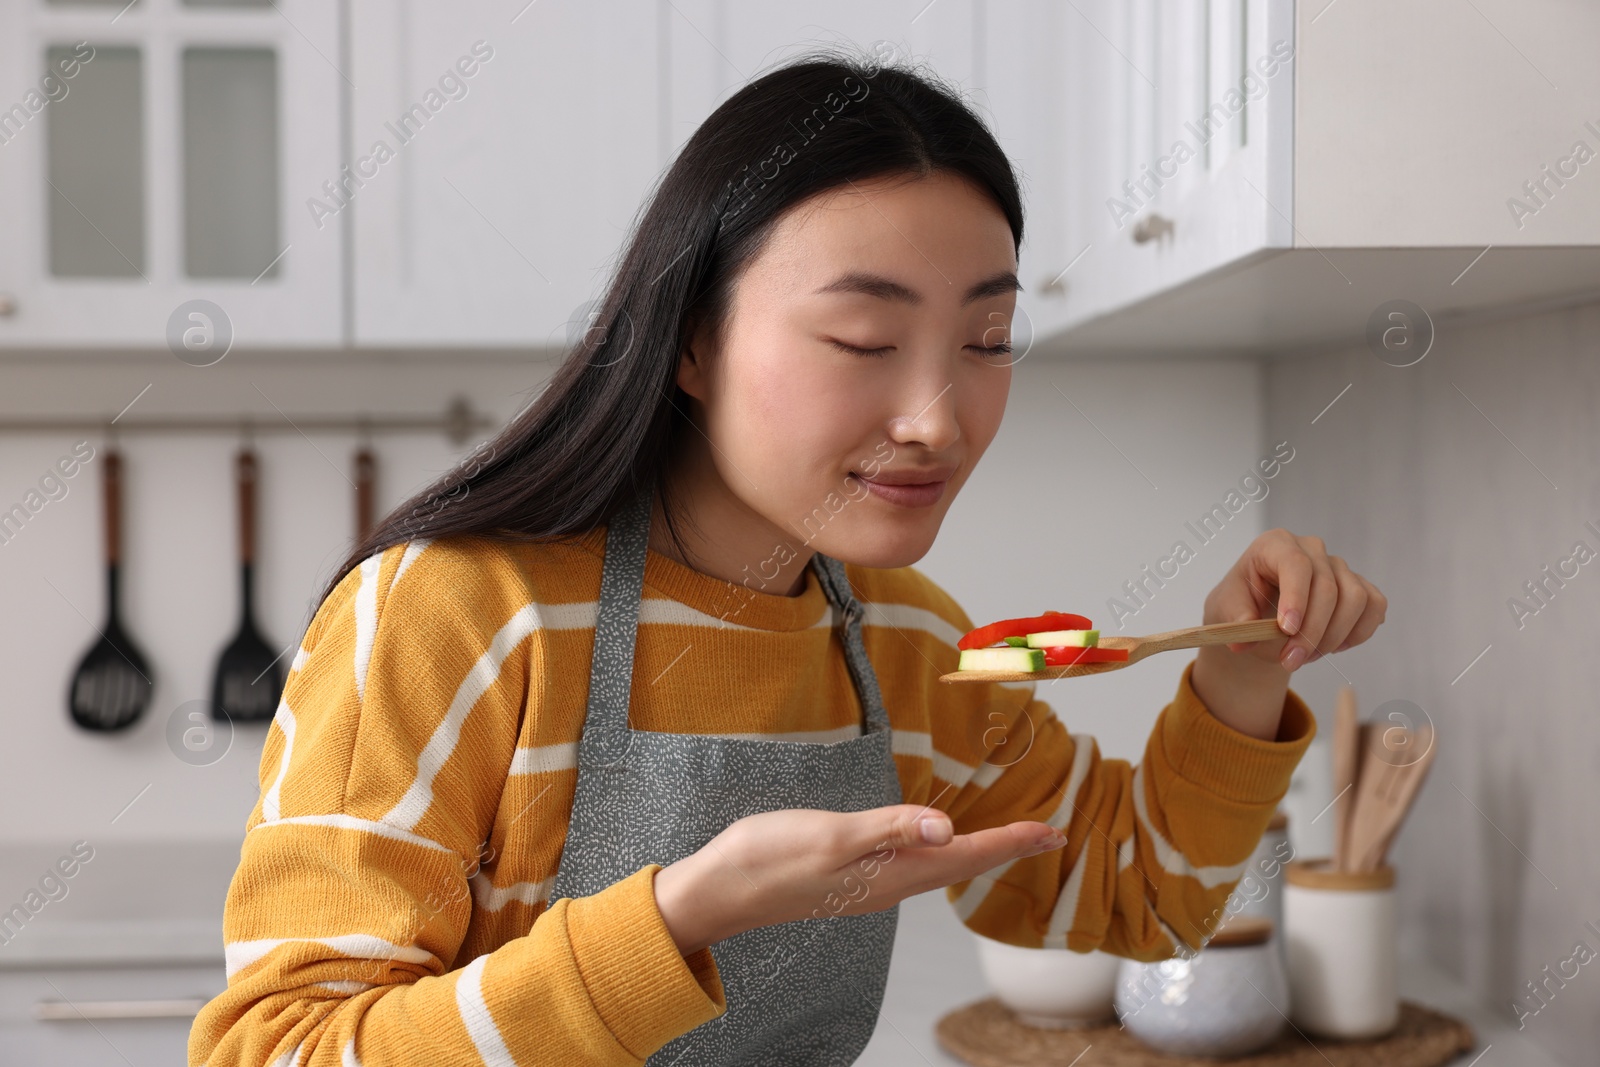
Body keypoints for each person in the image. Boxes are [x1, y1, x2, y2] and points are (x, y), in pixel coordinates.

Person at [190, 48, 1385, 1067]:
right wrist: (674, 918)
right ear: (693, 340)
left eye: (987, 337)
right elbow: (280, 1046)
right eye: (862, 338)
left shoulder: (908, 638)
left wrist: (1243, 667)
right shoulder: (456, 610)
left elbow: (1142, 893)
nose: (939, 417)